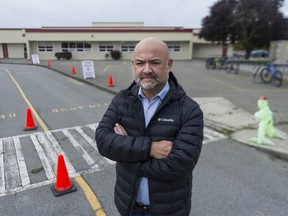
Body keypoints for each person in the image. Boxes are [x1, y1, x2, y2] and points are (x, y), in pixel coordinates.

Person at [95, 37, 203, 216]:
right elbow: (103, 141)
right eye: (140, 63)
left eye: (154, 62)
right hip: (128, 207)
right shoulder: (122, 100)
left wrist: (125, 154)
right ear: (133, 65)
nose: (146, 70)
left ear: (169, 64)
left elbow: (178, 167)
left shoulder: (189, 110)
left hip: (169, 210)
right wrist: (150, 148)